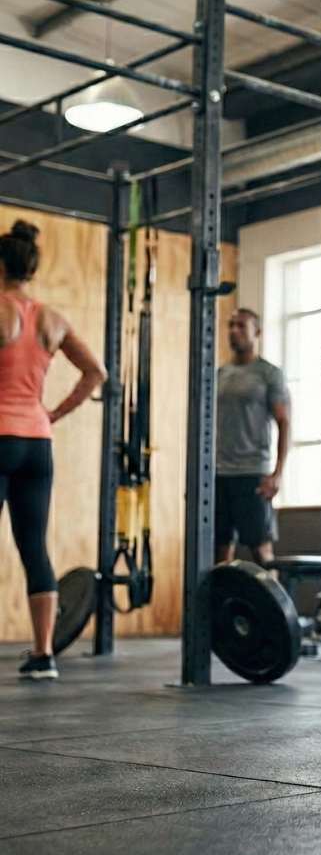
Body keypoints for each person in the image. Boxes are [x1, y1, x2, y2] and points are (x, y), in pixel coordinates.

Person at [0, 220, 107, 680]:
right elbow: (96, 372)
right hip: (37, 444)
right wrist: (54, 414)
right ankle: (44, 655)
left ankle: (42, 652)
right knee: (34, 547)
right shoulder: (52, 318)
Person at [215, 308, 290, 569]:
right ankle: (222, 609)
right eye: (231, 325)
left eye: (241, 326)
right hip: (219, 474)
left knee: (262, 554)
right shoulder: (219, 375)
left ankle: (277, 611)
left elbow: (284, 422)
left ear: (256, 332)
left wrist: (277, 473)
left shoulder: (268, 374)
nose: (233, 331)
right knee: (221, 555)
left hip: (252, 474)